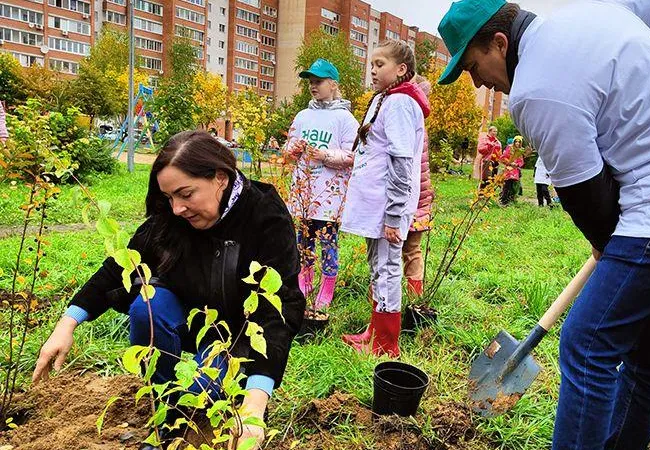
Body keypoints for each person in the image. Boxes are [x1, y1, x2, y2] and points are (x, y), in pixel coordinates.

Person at [437, 0, 650, 448]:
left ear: (499, 42)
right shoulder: (599, 12)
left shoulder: (535, 91)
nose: (479, 81)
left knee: (587, 344)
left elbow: (587, 195)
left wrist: (609, 244)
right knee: (647, 350)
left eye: (473, 66)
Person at [32, 131, 304, 449]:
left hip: (235, 337)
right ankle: (166, 415)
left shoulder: (264, 217)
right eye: (170, 197)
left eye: (186, 194)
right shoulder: (171, 216)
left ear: (220, 178)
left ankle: (224, 397)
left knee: (201, 393)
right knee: (148, 305)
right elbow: (120, 266)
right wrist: (67, 324)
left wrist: (254, 409)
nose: (177, 208)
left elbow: (277, 308)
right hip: (189, 318)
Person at [340, 39, 429, 357]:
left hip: (387, 208)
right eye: (372, 63)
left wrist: (394, 214)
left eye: (381, 64)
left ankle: (386, 343)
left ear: (401, 69)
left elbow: (402, 161)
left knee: (388, 267)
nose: (373, 69)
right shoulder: (386, 100)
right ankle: (374, 330)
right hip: (374, 205)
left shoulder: (402, 104)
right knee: (377, 266)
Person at [284, 58, 359, 311]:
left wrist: (325, 156)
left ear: (334, 84)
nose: (313, 86)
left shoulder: (345, 120)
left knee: (328, 243)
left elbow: (353, 156)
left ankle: (327, 286)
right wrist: (292, 149)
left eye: (318, 81)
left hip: (329, 196)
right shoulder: (303, 116)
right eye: (310, 82)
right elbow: (288, 148)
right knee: (303, 241)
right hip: (304, 193)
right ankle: (305, 282)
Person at [403, 75, 435, 297]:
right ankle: (415, 299)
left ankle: (381, 301)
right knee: (412, 250)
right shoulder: (421, 124)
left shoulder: (407, 122)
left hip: (409, 197)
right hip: (421, 197)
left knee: (390, 253)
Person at [499, 135, 524, 206]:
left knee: (514, 186)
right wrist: (510, 162)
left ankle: (511, 199)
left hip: (515, 170)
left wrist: (517, 164)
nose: (517, 143)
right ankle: (504, 200)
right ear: (514, 142)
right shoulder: (509, 148)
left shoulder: (520, 150)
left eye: (519, 142)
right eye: (516, 141)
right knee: (507, 184)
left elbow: (521, 161)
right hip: (509, 169)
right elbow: (503, 158)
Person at [477, 125, 502, 192]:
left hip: (496, 161)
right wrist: (489, 146)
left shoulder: (498, 142)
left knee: (493, 178)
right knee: (487, 178)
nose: (495, 133)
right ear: (490, 131)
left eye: (496, 131)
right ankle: (482, 193)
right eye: (494, 131)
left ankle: (490, 193)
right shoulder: (485, 140)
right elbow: (480, 149)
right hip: (487, 160)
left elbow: (500, 152)